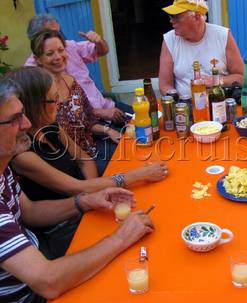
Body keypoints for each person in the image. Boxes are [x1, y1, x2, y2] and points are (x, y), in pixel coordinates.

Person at [0, 76, 155, 302]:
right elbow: (48, 281)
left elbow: (30, 211)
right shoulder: (20, 156)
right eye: (14, 119)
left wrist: (83, 201)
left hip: (40, 255)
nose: (25, 123)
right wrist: (121, 238)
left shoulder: (3, 168)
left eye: (23, 113)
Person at [8, 67, 168, 259]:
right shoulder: (22, 153)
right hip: (62, 225)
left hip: (86, 205)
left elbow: (84, 160)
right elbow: (74, 187)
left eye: (58, 96)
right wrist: (137, 175)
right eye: (53, 99)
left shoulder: (51, 125)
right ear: (32, 105)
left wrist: (94, 193)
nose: (60, 103)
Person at [30, 28, 120, 175]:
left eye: (61, 50)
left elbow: (88, 119)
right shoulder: (41, 94)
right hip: (73, 164)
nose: (58, 57)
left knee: (135, 147)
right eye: (50, 54)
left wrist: (108, 130)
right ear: (38, 59)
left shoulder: (70, 81)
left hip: (93, 147)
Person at [25, 13, 129, 124]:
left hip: (105, 106)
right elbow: (59, 115)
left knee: (145, 121)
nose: (58, 57)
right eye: (50, 34)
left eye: (58, 32)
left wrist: (99, 41)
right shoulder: (31, 73)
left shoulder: (69, 46)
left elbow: (102, 51)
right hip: (84, 124)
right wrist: (101, 117)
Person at [159, 0, 244, 97]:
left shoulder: (222, 35)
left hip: (219, 103)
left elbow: (241, 77)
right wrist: (180, 104)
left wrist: (217, 81)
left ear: (197, 17)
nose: (172, 21)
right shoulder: (169, 39)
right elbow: (165, 85)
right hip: (184, 107)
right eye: (171, 17)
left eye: (177, 17)